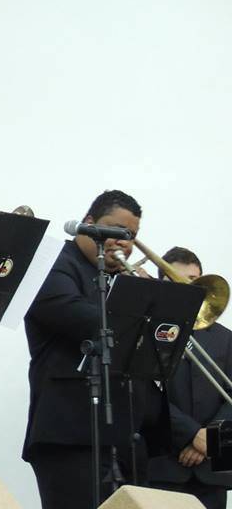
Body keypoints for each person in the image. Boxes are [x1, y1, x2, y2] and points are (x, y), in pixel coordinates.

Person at [23, 190, 168, 509]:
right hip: (67, 434)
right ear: (88, 223)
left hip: (123, 435)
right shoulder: (52, 263)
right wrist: (137, 304)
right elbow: (74, 313)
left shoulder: (113, 279)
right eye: (114, 230)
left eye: (131, 236)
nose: (123, 243)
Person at [148, 247, 232, 509]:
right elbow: (144, 392)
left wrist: (208, 441)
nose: (190, 289)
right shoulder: (148, 331)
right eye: (179, 280)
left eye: (195, 280)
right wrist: (191, 435)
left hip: (214, 468)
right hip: (163, 463)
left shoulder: (225, 337)